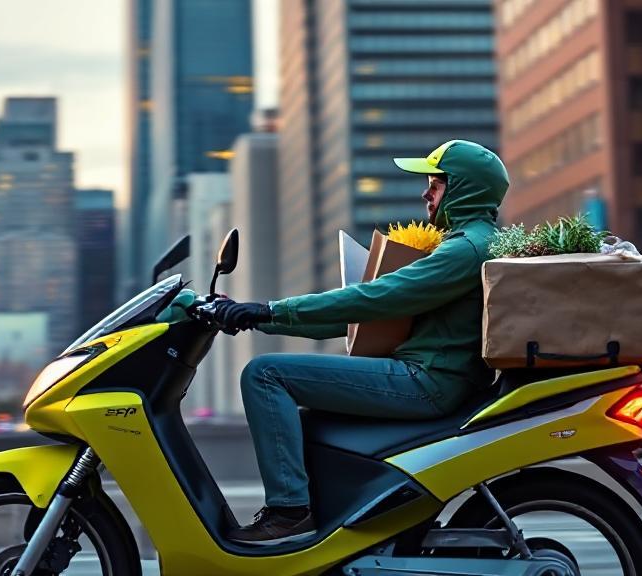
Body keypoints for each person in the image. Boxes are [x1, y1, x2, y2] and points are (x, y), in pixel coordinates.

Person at [211, 140, 508, 544]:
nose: (425, 193)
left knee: (265, 375)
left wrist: (267, 310)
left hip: (426, 382)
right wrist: (259, 319)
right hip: (438, 378)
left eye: (435, 184)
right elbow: (361, 318)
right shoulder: (471, 243)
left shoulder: (463, 250)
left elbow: (376, 299)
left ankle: (289, 510)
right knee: (307, 421)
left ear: (463, 188)